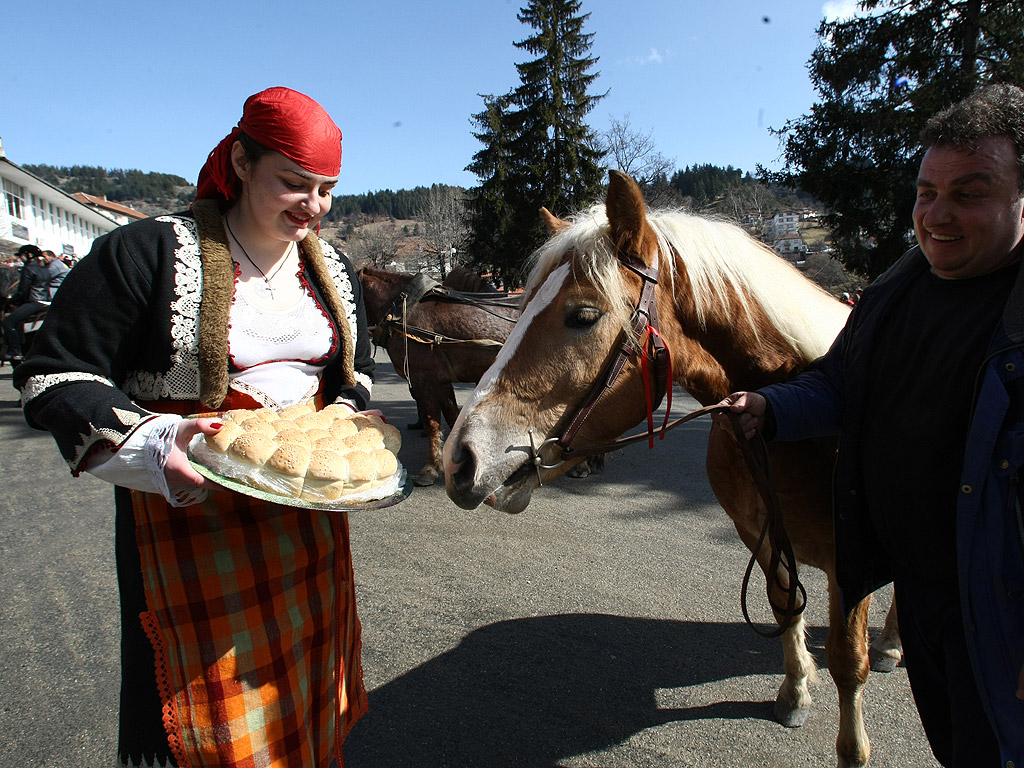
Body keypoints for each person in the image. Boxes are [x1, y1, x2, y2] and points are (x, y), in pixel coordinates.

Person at [15, 86, 376, 768]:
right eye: (294, 183)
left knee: (299, 683)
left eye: (326, 189)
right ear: (241, 162)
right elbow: (54, 374)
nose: (315, 207)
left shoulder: (333, 270)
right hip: (192, 520)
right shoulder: (147, 256)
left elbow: (347, 374)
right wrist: (155, 441)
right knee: (204, 702)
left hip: (310, 523)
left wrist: (349, 415)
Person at [721, 83, 1024, 766]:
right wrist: (772, 409)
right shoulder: (900, 287)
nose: (938, 215)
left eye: (970, 193)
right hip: (920, 591)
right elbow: (842, 382)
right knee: (957, 747)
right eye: (926, 192)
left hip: (1001, 608)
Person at [2, 245, 68, 364]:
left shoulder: (28, 268)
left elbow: (23, 290)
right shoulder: (44, 269)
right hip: (46, 300)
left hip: (34, 301)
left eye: (22, 255)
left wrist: (11, 301)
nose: (21, 258)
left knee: (7, 322)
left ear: (28, 255)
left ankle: (15, 350)